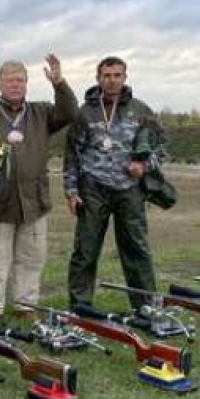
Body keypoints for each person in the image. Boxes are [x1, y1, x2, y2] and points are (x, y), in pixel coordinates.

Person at [0, 54, 77, 325]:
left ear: (27, 83)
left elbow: (70, 112)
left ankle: (25, 304)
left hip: (34, 201)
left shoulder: (42, 113)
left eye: (20, 80)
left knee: (31, 258)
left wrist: (59, 82)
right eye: (10, 80)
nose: (15, 85)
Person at [64, 56, 165, 311]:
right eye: (106, 76)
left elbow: (161, 147)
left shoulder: (141, 110)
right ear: (98, 78)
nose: (112, 80)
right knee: (85, 251)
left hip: (129, 191)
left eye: (117, 75)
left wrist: (144, 166)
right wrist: (71, 190)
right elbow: (72, 153)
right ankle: (81, 307)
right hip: (92, 189)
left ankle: (145, 307)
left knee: (137, 250)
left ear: (125, 77)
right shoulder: (85, 112)